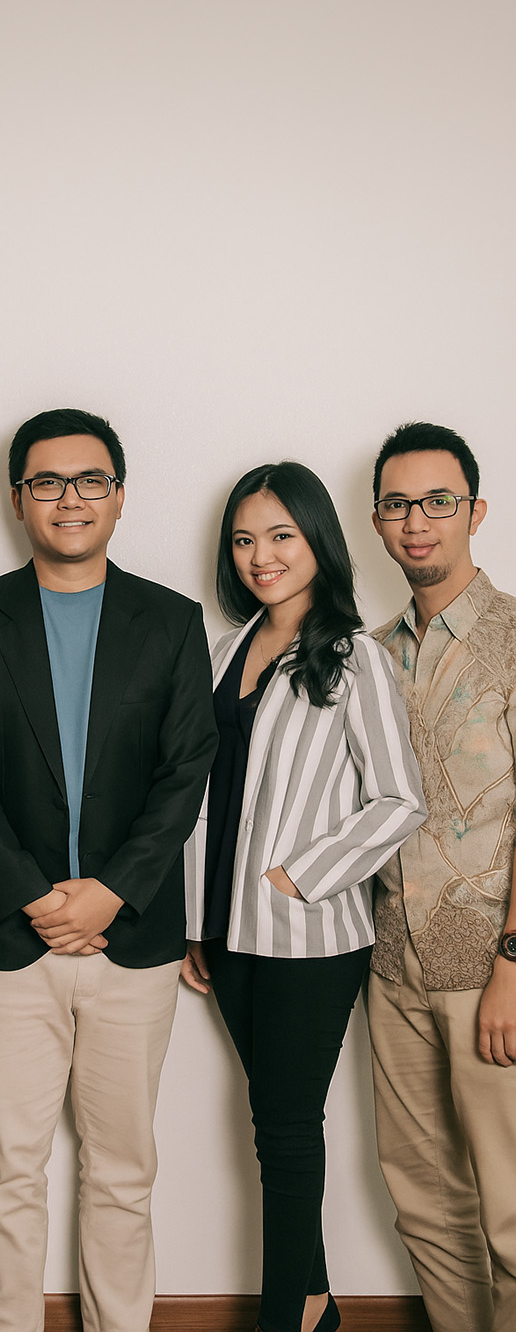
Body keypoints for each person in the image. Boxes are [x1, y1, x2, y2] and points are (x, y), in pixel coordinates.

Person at [0, 408, 217, 1332]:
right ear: (18, 499)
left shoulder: (172, 621)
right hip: (9, 940)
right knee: (9, 1169)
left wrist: (112, 891)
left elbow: (187, 771)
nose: (70, 499)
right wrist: (34, 896)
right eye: (47, 482)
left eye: (91, 480)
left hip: (134, 942)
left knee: (123, 1171)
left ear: (120, 496)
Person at [182, 461, 425, 1332]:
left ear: (319, 539)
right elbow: (203, 791)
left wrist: (301, 876)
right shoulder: (223, 651)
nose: (262, 556)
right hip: (224, 927)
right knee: (273, 1120)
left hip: (309, 935)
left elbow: (399, 799)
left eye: (281, 535)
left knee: (284, 1127)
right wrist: (195, 920)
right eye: (244, 540)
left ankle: (287, 1312)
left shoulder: (355, 658)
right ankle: (316, 1299)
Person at [368, 422, 516, 1332]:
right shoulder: (369, 653)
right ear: (377, 521)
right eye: (398, 503)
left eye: (437, 501)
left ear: (475, 511)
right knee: (425, 1205)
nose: (417, 521)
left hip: (492, 967)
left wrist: (514, 964)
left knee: (512, 1208)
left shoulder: (514, 637)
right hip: (392, 965)